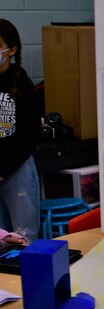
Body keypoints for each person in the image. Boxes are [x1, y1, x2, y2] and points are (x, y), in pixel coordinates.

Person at [0, 18, 41, 241]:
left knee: (24, 238)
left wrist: (3, 169)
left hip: (17, 171)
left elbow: (29, 134)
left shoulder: (22, 84)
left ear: (11, 50)